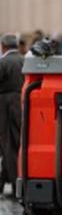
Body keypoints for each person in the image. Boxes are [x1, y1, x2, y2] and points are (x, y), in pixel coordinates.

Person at [0, 35, 24, 197]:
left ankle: (16, 185)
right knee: (18, 143)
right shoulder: (25, 60)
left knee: (8, 145)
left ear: (3, 46)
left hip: (6, 105)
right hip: (22, 102)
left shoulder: (3, 63)